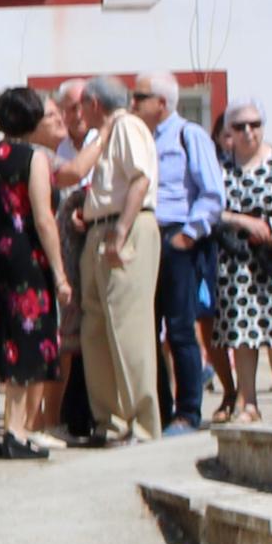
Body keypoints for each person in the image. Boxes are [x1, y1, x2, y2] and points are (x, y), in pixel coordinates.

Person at [0, 85, 70, 457]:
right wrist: (59, 273)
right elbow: (43, 218)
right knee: (27, 336)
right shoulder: (34, 158)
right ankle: (17, 431)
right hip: (26, 257)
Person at [76, 76, 165, 441]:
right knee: (96, 328)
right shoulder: (105, 136)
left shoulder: (127, 126)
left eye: (82, 104)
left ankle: (142, 423)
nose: (79, 113)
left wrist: (122, 230)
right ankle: (110, 420)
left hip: (123, 227)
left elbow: (139, 179)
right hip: (100, 227)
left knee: (129, 328)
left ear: (95, 103)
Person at [138, 73, 226, 427]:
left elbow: (212, 193)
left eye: (139, 96)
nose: (133, 103)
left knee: (179, 328)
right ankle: (158, 409)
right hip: (146, 236)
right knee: (148, 329)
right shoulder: (141, 138)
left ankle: (188, 412)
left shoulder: (189, 135)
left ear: (161, 103)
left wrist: (187, 236)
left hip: (176, 237)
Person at [213, 101, 272, 417]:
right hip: (237, 257)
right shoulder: (222, 166)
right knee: (242, 331)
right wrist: (241, 220)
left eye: (254, 124)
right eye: (239, 126)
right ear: (229, 131)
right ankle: (248, 400)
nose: (248, 132)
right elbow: (209, 206)